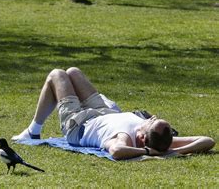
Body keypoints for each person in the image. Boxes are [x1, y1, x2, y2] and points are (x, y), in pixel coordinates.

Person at [12, 67, 216, 160]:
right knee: (73, 72)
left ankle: (33, 131)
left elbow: (117, 151)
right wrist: (172, 152)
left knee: (57, 75)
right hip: (105, 112)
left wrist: (147, 153)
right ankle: (33, 130)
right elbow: (207, 140)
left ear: (142, 137)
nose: (152, 117)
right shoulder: (163, 140)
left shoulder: (125, 138)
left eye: (152, 121)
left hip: (80, 124)